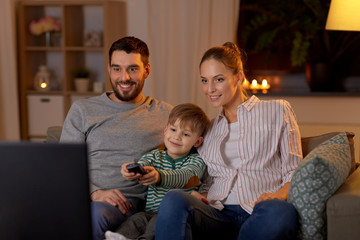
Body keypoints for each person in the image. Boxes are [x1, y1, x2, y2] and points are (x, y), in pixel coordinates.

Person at [155, 42, 303, 240]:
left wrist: (281, 194)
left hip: (260, 210)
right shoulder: (207, 128)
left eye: (218, 79)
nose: (210, 89)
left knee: (282, 212)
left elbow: (294, 168)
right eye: (204, 81)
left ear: (238, 77)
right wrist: (202, 195)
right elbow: (208, 179)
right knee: (174, 199)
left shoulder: (277, 111)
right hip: (217, 214)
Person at [60, 36, 173, 240]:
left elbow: (191, 157)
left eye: (132, 69)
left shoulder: (167, 114)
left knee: (95, 216)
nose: (124, 77)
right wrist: (96, 194)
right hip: (85, 199)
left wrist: (158, 174)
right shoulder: (82, 110)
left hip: (128, 206)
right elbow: (64, 167)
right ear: (109, 69)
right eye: (117, 68)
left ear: (147, 70)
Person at [104, 103, 210, 240]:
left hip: (173, 215)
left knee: (157, 222)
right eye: (173, 129)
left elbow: (187, 176)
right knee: (136, 220)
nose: (176, 137)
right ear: (165, 130)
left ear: (197, 142)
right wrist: (131, 171)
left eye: (185, 134)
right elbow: (142, 164)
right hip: (148, 211)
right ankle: (117, 237)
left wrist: (160, 176)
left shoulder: (196, 161)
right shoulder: (154, 156)